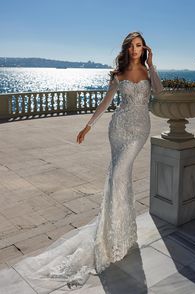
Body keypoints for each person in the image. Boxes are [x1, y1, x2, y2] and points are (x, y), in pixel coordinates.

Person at [12, 31, 164, 292]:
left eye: (140, 46)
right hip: (118, 129)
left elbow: (159, 94)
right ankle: (116, 235)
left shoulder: (149, 73)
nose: (136, 50)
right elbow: (106, 103)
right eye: (132, 46)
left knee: (119, 176)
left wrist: (153, 65)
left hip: (139, 132)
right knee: (119, 177)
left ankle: (118, 234)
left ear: (144, 49)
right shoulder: (118, 75)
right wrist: (88, 125)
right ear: (127, 49)